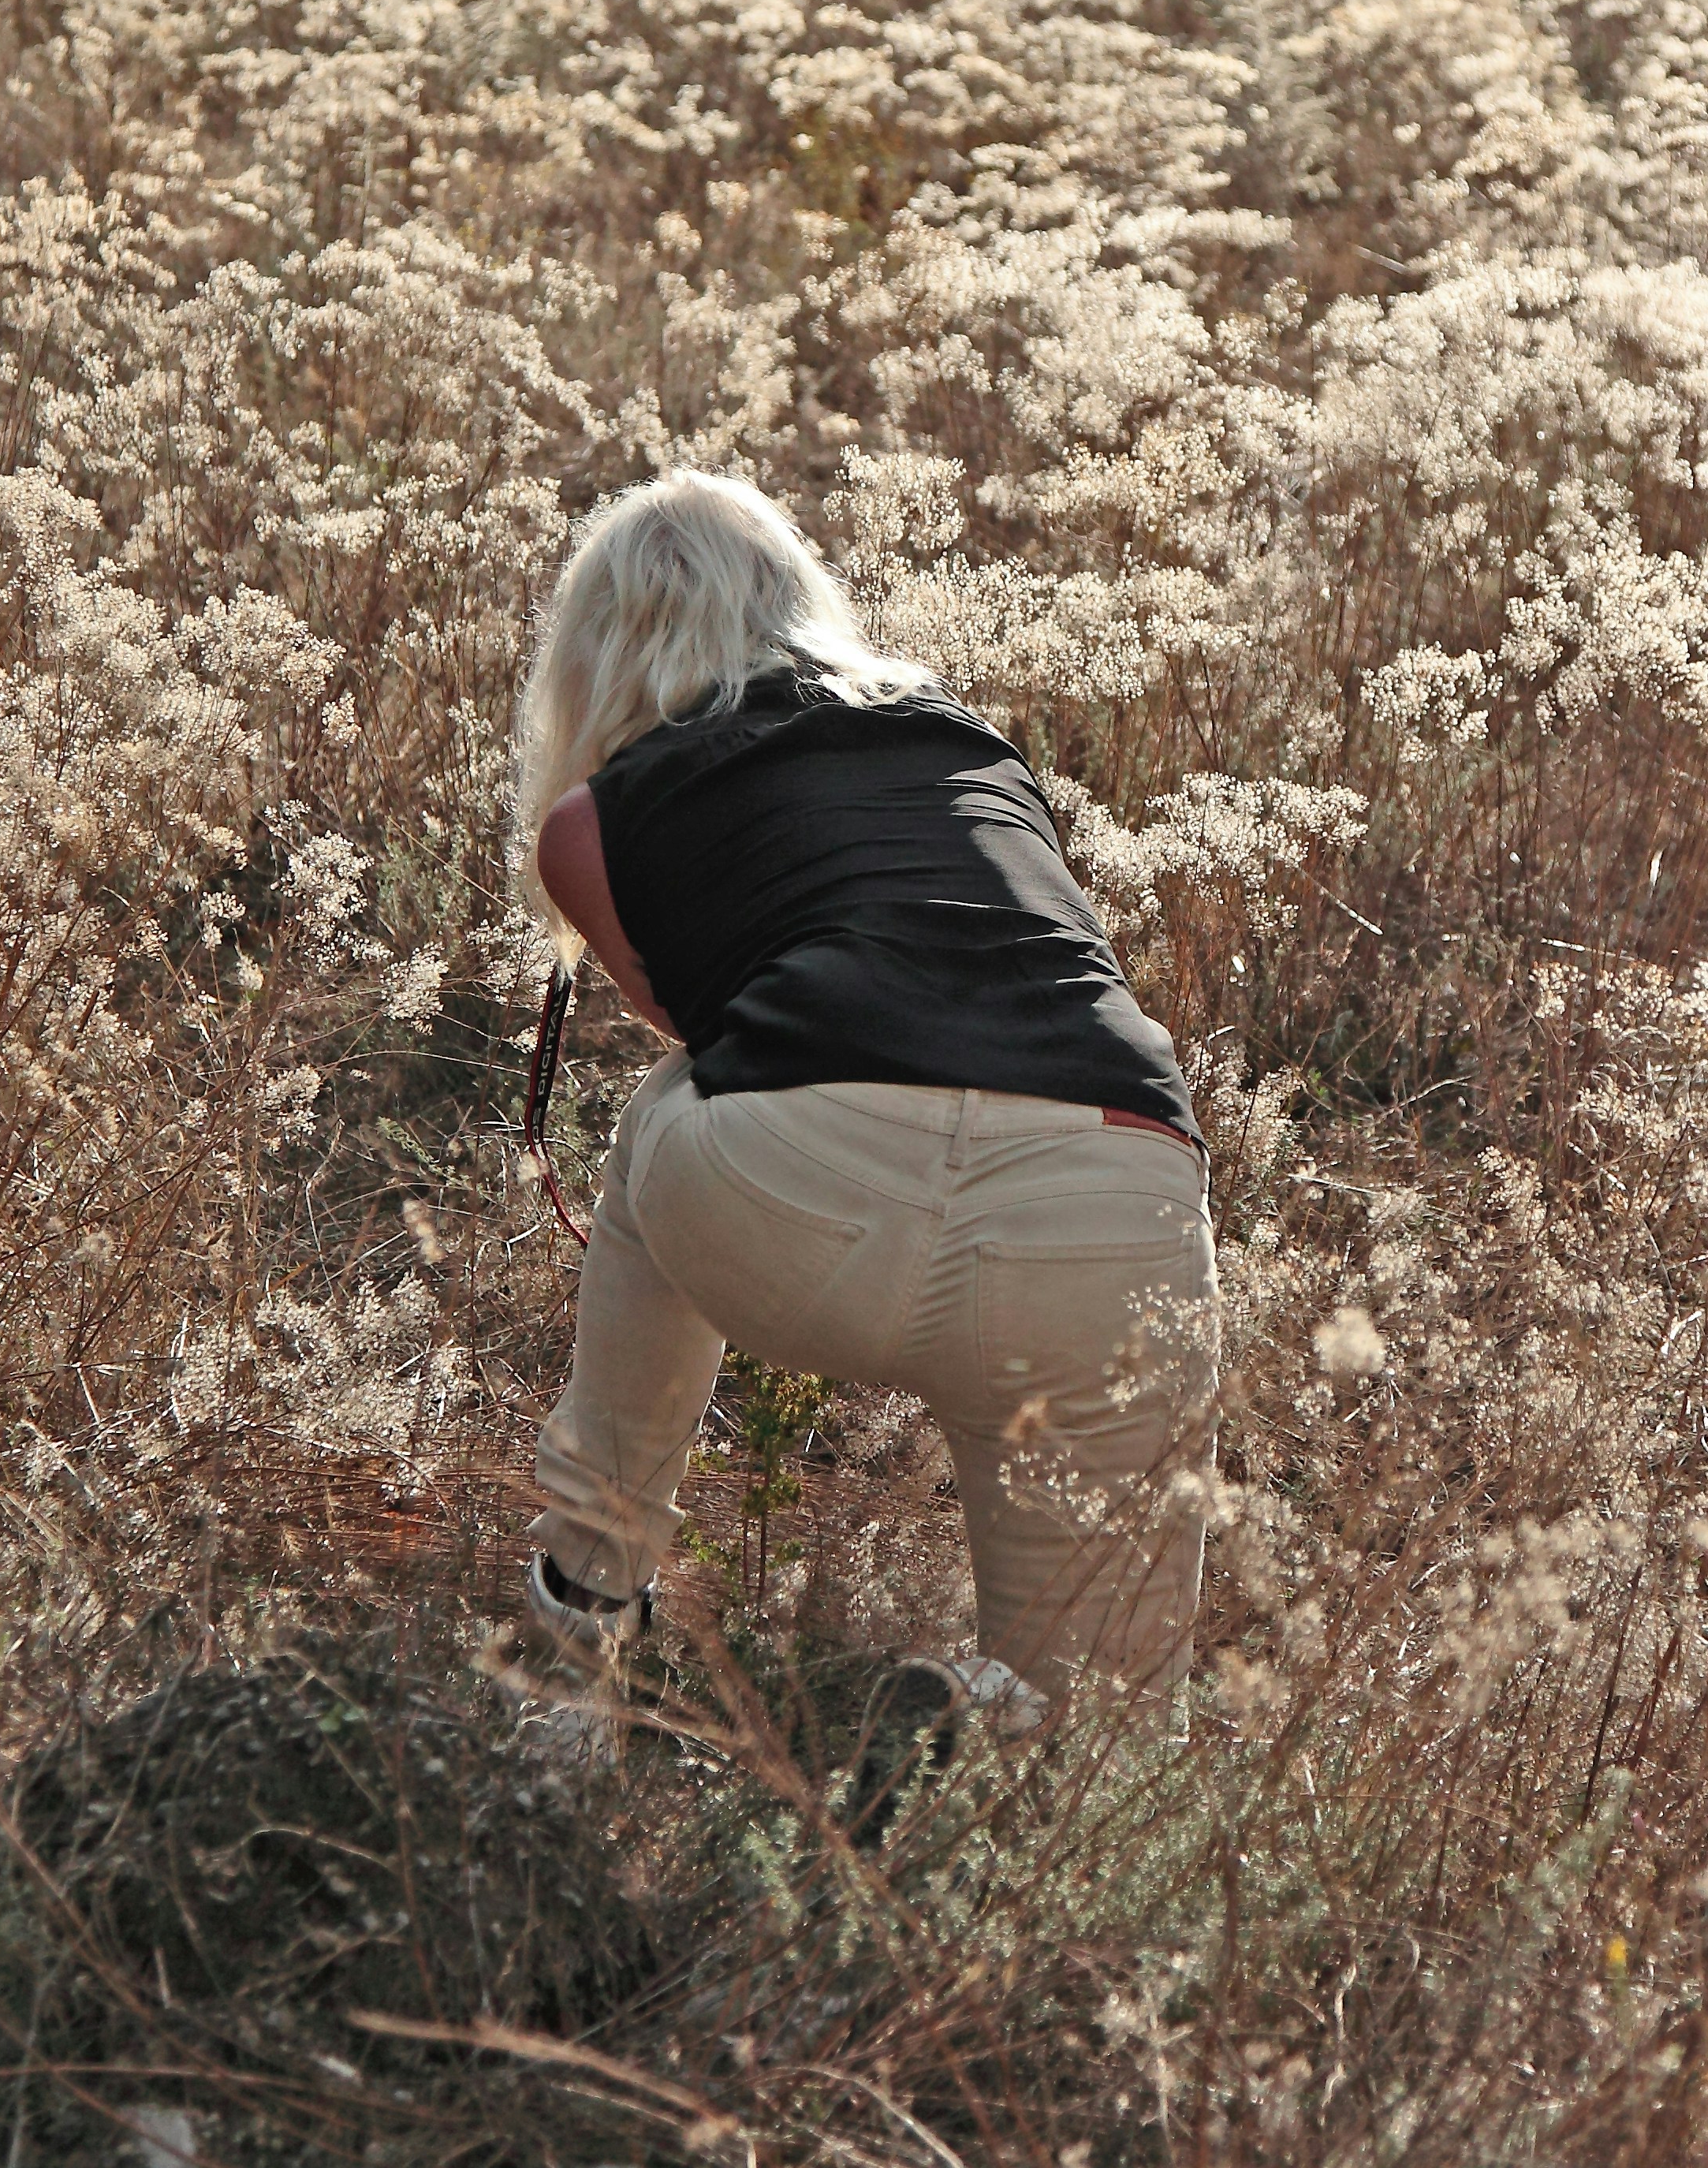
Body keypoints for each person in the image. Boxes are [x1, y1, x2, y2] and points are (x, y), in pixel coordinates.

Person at [508, 470, 1219, 1740]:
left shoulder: (592, 825)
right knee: (1108, 1717)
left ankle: (584, 1617)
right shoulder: (967, 741)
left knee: (673, 1102)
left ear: (593, 650)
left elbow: (702, 1021)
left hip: (803, 1186)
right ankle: (972, 1716)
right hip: (1117, 1189)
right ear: (798, 597)